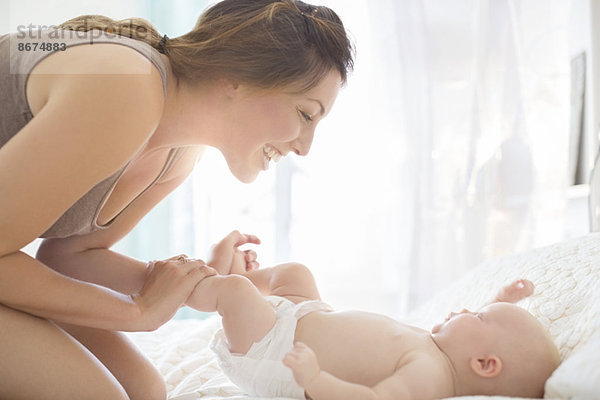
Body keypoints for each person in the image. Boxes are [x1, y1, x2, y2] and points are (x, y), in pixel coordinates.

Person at [0, 0, 354, 398]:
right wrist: (136, 312)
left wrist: (206, 285)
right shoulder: (127, 86)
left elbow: (69, 256)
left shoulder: (179, 153)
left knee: (146, 391)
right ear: (237, 77)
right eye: (306, 114)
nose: (305, 147)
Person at [186, 232, 562, 400]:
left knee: (234, 296)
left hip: (275, 356)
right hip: (302, 318)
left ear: (483, 364)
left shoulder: (429, 375)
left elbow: (371, 399)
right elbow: (484, 334)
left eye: (479, 317)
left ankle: (201, 286)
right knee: (296, 273)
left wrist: (315, 379)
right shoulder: (443, 350)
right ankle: (245, 280)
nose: (468, 310)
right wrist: (503, 301)